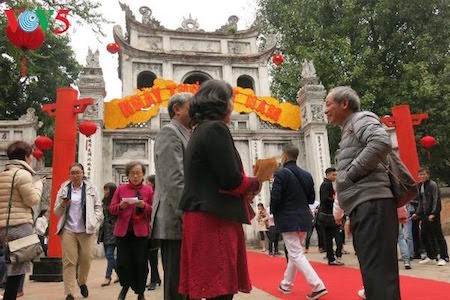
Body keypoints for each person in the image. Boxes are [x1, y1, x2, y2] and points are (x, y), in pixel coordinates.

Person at [179, 79, 261, 300]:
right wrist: (256, 182)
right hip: (214, 218)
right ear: (220, 102)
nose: (233, 106)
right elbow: (230, 180)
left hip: (203, 215)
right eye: (230, 100)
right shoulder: (215, 129)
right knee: (220, 290)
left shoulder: (198, 131)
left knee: (214, 289)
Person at [324, 86, 400, 299]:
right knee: (372, 271)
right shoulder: (349, 127)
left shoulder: (361, 119)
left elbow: (381, 142)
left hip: (373, 204)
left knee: (378, 273)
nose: (324, 110)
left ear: (344, 103)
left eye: (328, 104)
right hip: (365, 206)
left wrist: (349, 175)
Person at [270, 143, 327, 300]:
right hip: (304, 218)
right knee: (296, 253)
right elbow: (310, 198)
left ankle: (317, 285)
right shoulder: (307, 175)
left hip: (288, 219)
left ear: (285, 156)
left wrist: (273, 213)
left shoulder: (280, 174)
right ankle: (286, 284)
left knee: (295, 253)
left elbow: (275, 197)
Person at [151, 92, 192, 300]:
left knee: (189, 283)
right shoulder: (170, 132)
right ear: (177, 109)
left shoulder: (188, 133)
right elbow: (175, 181)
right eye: (192, 106)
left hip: (185, 220)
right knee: (177, 285)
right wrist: (189, 217)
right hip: (176, 220)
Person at [0, 141, 44, 300]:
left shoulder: (3, 174)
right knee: (17, 270)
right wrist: (38, 186)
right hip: (20, 227)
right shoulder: (22, 174)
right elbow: (32, 200)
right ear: (26, 156)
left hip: (4, 228)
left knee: (12, 267)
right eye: (31, 155)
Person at [54, 163, 103, 300]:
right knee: (69, 262)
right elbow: (56, 211)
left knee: (86, 259)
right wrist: (63, 204)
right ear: (69, 174)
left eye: (78, 172)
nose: (75, 175)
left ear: (83, 173)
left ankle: (82, 282)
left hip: (86, 230)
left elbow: (99, 207)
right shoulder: (64, 188)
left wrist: (95, 220)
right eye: (73, 173)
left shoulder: (91, 188)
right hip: (68, 229)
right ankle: (69, 292)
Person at [110, 161, 153, 300]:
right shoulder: (120, 189)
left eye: (138, 173)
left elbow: (153, 210)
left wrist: (144, 205)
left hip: (141, 233)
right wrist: (120, 206)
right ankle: (125, 287)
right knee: (123, 263)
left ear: (143, 175)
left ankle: (140, 292)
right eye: (132, 173)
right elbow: (111, 209)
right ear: (127, 174)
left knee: (141, 263)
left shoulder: (148, 190)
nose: (135, 176)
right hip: (123, 233)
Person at [413, 167, 449, 266]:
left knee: (438, 235)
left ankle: (444, 257)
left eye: (424, 174)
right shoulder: (420, 186)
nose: (422, 176)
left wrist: (434, 213)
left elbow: (436, 199)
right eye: (420, 174)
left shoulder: (433, 185)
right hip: (424, 214)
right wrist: (417, 213)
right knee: (424, 235)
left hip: (433, 214)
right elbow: (421, 201)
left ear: (428, 175)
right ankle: (431, 255)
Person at [318, 167, 344, 266]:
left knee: (328, 238)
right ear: (328, 175)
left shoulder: (327, 184)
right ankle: (336, 256)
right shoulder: (326, 185)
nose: (335, 176)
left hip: (326, 216)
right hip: (328, 216)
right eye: (333, 175)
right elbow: (325, 199)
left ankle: (331, 258)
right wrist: (335, 200)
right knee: (336, 237)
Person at [97, 182, 118, 287]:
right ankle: (120, 274)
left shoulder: (117, 201)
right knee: (108, 255)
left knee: (110, 255)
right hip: (105, 230)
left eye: (107, 190)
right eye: (104, 189)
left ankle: (107, 277)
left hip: (114, 230)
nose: (105, 192)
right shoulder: (104, 200)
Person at [144, 175, 161, 291]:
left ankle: (154, 281)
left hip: (153, 230)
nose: (146, 184)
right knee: (148, 257)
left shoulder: (156, 196)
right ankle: (157, 278)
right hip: (145, 230)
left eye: (148, 182)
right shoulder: (147, 194)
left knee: (153, 257)